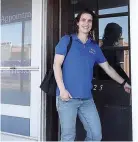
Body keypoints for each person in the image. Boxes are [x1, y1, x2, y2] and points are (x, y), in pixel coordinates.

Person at [53, 9, 131, 141]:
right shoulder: (67, 40)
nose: (86, 23)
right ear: (77, 23)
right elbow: (56, 65)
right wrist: (62, 89)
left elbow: (108, 68)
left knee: (95, 135)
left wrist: (124, 82)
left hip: (86, 99)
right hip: (67, 98)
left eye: (89, 21)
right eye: (83, 20)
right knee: (68, 137)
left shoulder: (94, 47)